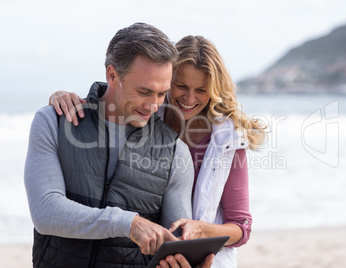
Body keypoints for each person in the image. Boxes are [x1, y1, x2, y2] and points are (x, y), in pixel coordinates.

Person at [50, 35, 268, 268]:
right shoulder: (145, 115)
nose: (189, 98)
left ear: (213, 91)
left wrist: (201, 229)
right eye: (181, 86)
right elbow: (113, 102)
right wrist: (63, 98)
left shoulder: (229, 140)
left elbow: (242, 227)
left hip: (207, 261)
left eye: (201, 90)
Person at [25, 23, 214, 268]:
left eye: (161, 94)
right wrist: (128, 223)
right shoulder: (54, 122)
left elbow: (174, 242)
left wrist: (186, 262)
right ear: (112, 75)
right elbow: (46, 212)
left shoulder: (176, 152)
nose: (153, 106)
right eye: (144, 91)